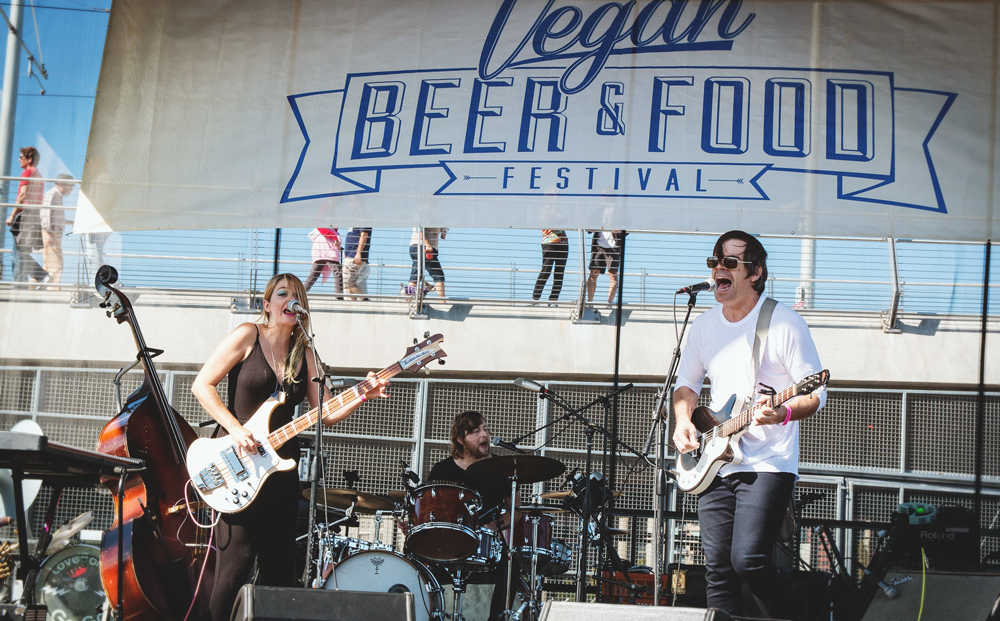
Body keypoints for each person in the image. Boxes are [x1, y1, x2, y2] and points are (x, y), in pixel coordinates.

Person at [191, 273, 389, 621]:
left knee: (279, 573)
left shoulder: (304, 349)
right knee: (234, 570)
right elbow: (202, 385)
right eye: (282, 294)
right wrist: (236, 431)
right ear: (267, 305)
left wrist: (363, 393)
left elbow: (325, 412)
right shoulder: (247, 335)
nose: (290, 300)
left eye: (297, 295)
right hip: (239, 466)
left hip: (281, 472)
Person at [671, 231, 826, 621]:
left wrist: (784, 413)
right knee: (717, 569)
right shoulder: (705, 325)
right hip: (717, 459)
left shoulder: (784, 322)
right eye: (715, 262)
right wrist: (683, 421)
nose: (718, 270)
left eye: (730, 263)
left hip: (768, 462)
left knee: (749, 560)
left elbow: (815, 392)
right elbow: (686, 385)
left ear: (755, 273)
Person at [427, 411, 513, 621]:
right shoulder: (442, 470)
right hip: (448, 545)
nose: (484, 435)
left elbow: (515, 510)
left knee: (512, 564)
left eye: (485, 429)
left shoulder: (502, 469)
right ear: (460, 439)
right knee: (416, 557)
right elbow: (426, 509)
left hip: (486, 544)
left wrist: (494, 527)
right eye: (475, 431)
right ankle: (427, 614)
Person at [5, 147, 47, 285]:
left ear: (29, 159)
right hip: (34, 215)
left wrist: (12, 215)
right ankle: (42, 276)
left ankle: (19, 287)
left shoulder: (27, 172)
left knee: (17, 253)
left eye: (21, 157)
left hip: (25, 214)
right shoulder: (38, 175)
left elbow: (22, 195)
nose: (18, 159)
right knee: (21, 252)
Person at [39, 174, 74, 288]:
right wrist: (48, 233)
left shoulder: (57, 196)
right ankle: (53, 290)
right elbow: (45, 214)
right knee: (56, 264)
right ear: (63, 184)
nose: (72, 189)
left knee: (48, 264)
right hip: (51, 233)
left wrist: (71, 223)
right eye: (71, 186)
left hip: (53, 233)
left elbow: (56, 218)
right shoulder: (52, 194)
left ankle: (33, 286)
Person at [406, 227, 448, 298]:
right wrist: (427, 245)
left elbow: (443, 236)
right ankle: (442, 302)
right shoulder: (425, 216)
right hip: (424, 247)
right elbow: (420, 229)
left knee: (416, 275)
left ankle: (408, 299)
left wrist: (443, 229)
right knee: (438, 275)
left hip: (417, 246)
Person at [586, 230, 624, 305]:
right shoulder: (598, 217)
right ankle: (589, 302)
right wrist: (591, 228)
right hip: (598, 245)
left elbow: (627, 227)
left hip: (614, 246)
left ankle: (609, 303)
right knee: (593, 273)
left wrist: (619, 230)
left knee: (613, 275)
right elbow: (589, 225)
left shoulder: (619, 217)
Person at [531, 229, 568, 303]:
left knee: (559, 273)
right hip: (549, 242)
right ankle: (535, 298)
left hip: (563, 242)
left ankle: (553, 300)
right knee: (546, 270)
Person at [304, 227, 342, 295]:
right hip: (327, 248)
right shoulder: (326, 223)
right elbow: (321, 227)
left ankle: (301, 292)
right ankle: (339, 295)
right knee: (337, 271)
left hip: (321, 249)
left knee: (314, 273)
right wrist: (335, 237)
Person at [342, 226, 371, 300]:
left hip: (354, 256)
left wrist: (358, 253)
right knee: (350, 287)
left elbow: (364, 234)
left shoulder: (361, 217)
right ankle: (352, 308)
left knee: (347, 282)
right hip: (350, 256)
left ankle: (365, 301)